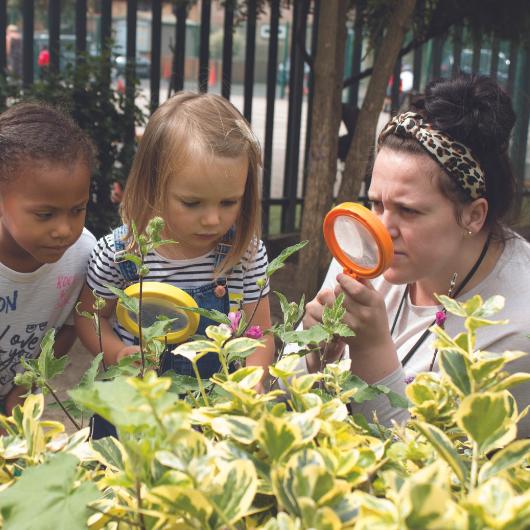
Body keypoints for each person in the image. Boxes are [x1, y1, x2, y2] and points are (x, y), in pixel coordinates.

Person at [301, 75, 530, 438]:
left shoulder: (516, 329)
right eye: (376, 203)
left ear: (473, 215)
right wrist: (311, 355)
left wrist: (373, 351)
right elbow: (286, 396)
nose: (382, 229)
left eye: (408, 211)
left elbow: (431, 470)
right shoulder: (365, 249)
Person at [75, 92, 274, 435]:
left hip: (209, 413)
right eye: (192, 202)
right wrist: (117, 353)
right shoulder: (120, 254)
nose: (212, 219)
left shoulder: (245, 255)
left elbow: (262, 335)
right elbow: (89, 319)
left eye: (229, 202)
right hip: (131, 408)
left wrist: (253, 382)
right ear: (153, 185)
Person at [0, 102, 96, 415]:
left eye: (77, 209)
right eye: (45, 214)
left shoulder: (82, 254)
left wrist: (29, 382)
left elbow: (69, 327)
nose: (64, 230)